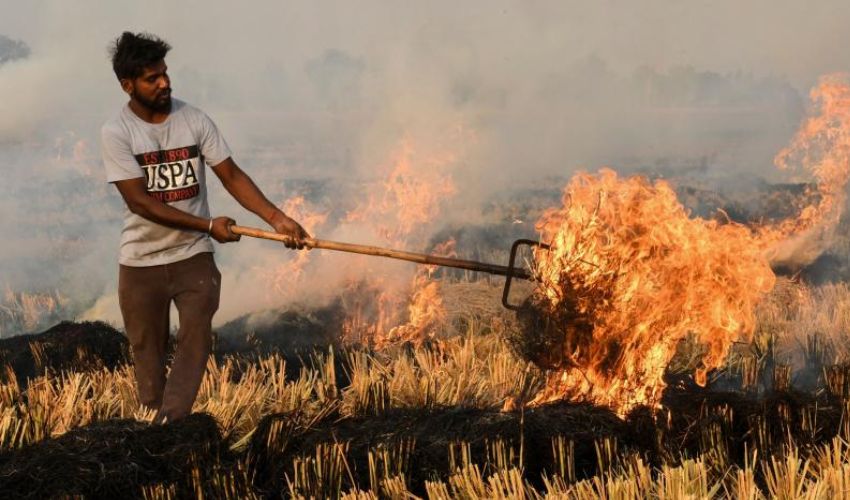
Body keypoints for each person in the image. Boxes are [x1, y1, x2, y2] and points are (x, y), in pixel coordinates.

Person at [100, 31, 308, 423]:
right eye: (152, 78)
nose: (165, 83)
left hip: (193, 256)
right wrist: (208, 224)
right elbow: (140, 202)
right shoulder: (116, 133)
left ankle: (172, 423)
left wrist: (279, 219)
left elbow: (231, 175)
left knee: (195, 337)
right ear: (128, 86)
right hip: (140, 262)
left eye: (165, 73)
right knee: (147, 357)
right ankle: (154, 427)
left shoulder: (193, 119)